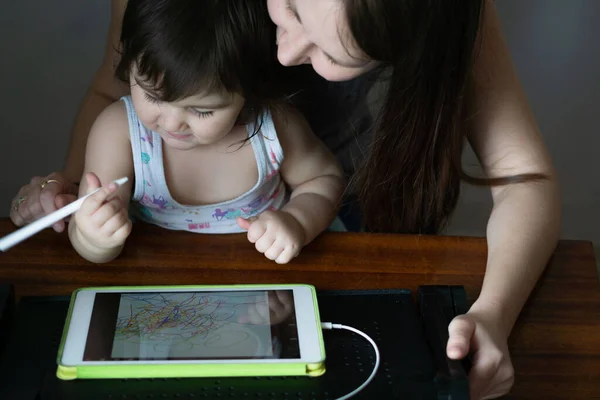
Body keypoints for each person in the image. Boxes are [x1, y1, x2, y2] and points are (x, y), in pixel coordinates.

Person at [9, 0, 561, 398]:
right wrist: (76, 192)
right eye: (289, 10)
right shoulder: (134, 119)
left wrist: (493, 314)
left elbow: (524, 176)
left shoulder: (443, 19)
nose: (285, 50)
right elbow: (113, 89)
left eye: (328, 49)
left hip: (326, 222)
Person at [68, 0, 345, 264]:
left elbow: (325, 179)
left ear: (248, 93)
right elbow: (86, 240)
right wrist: (94, 239)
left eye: (202, 111)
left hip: (259, 291)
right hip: (157, 287)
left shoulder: (275, 129)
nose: (173, 123)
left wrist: (297, 221)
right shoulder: (119, 135)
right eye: (152, 96)